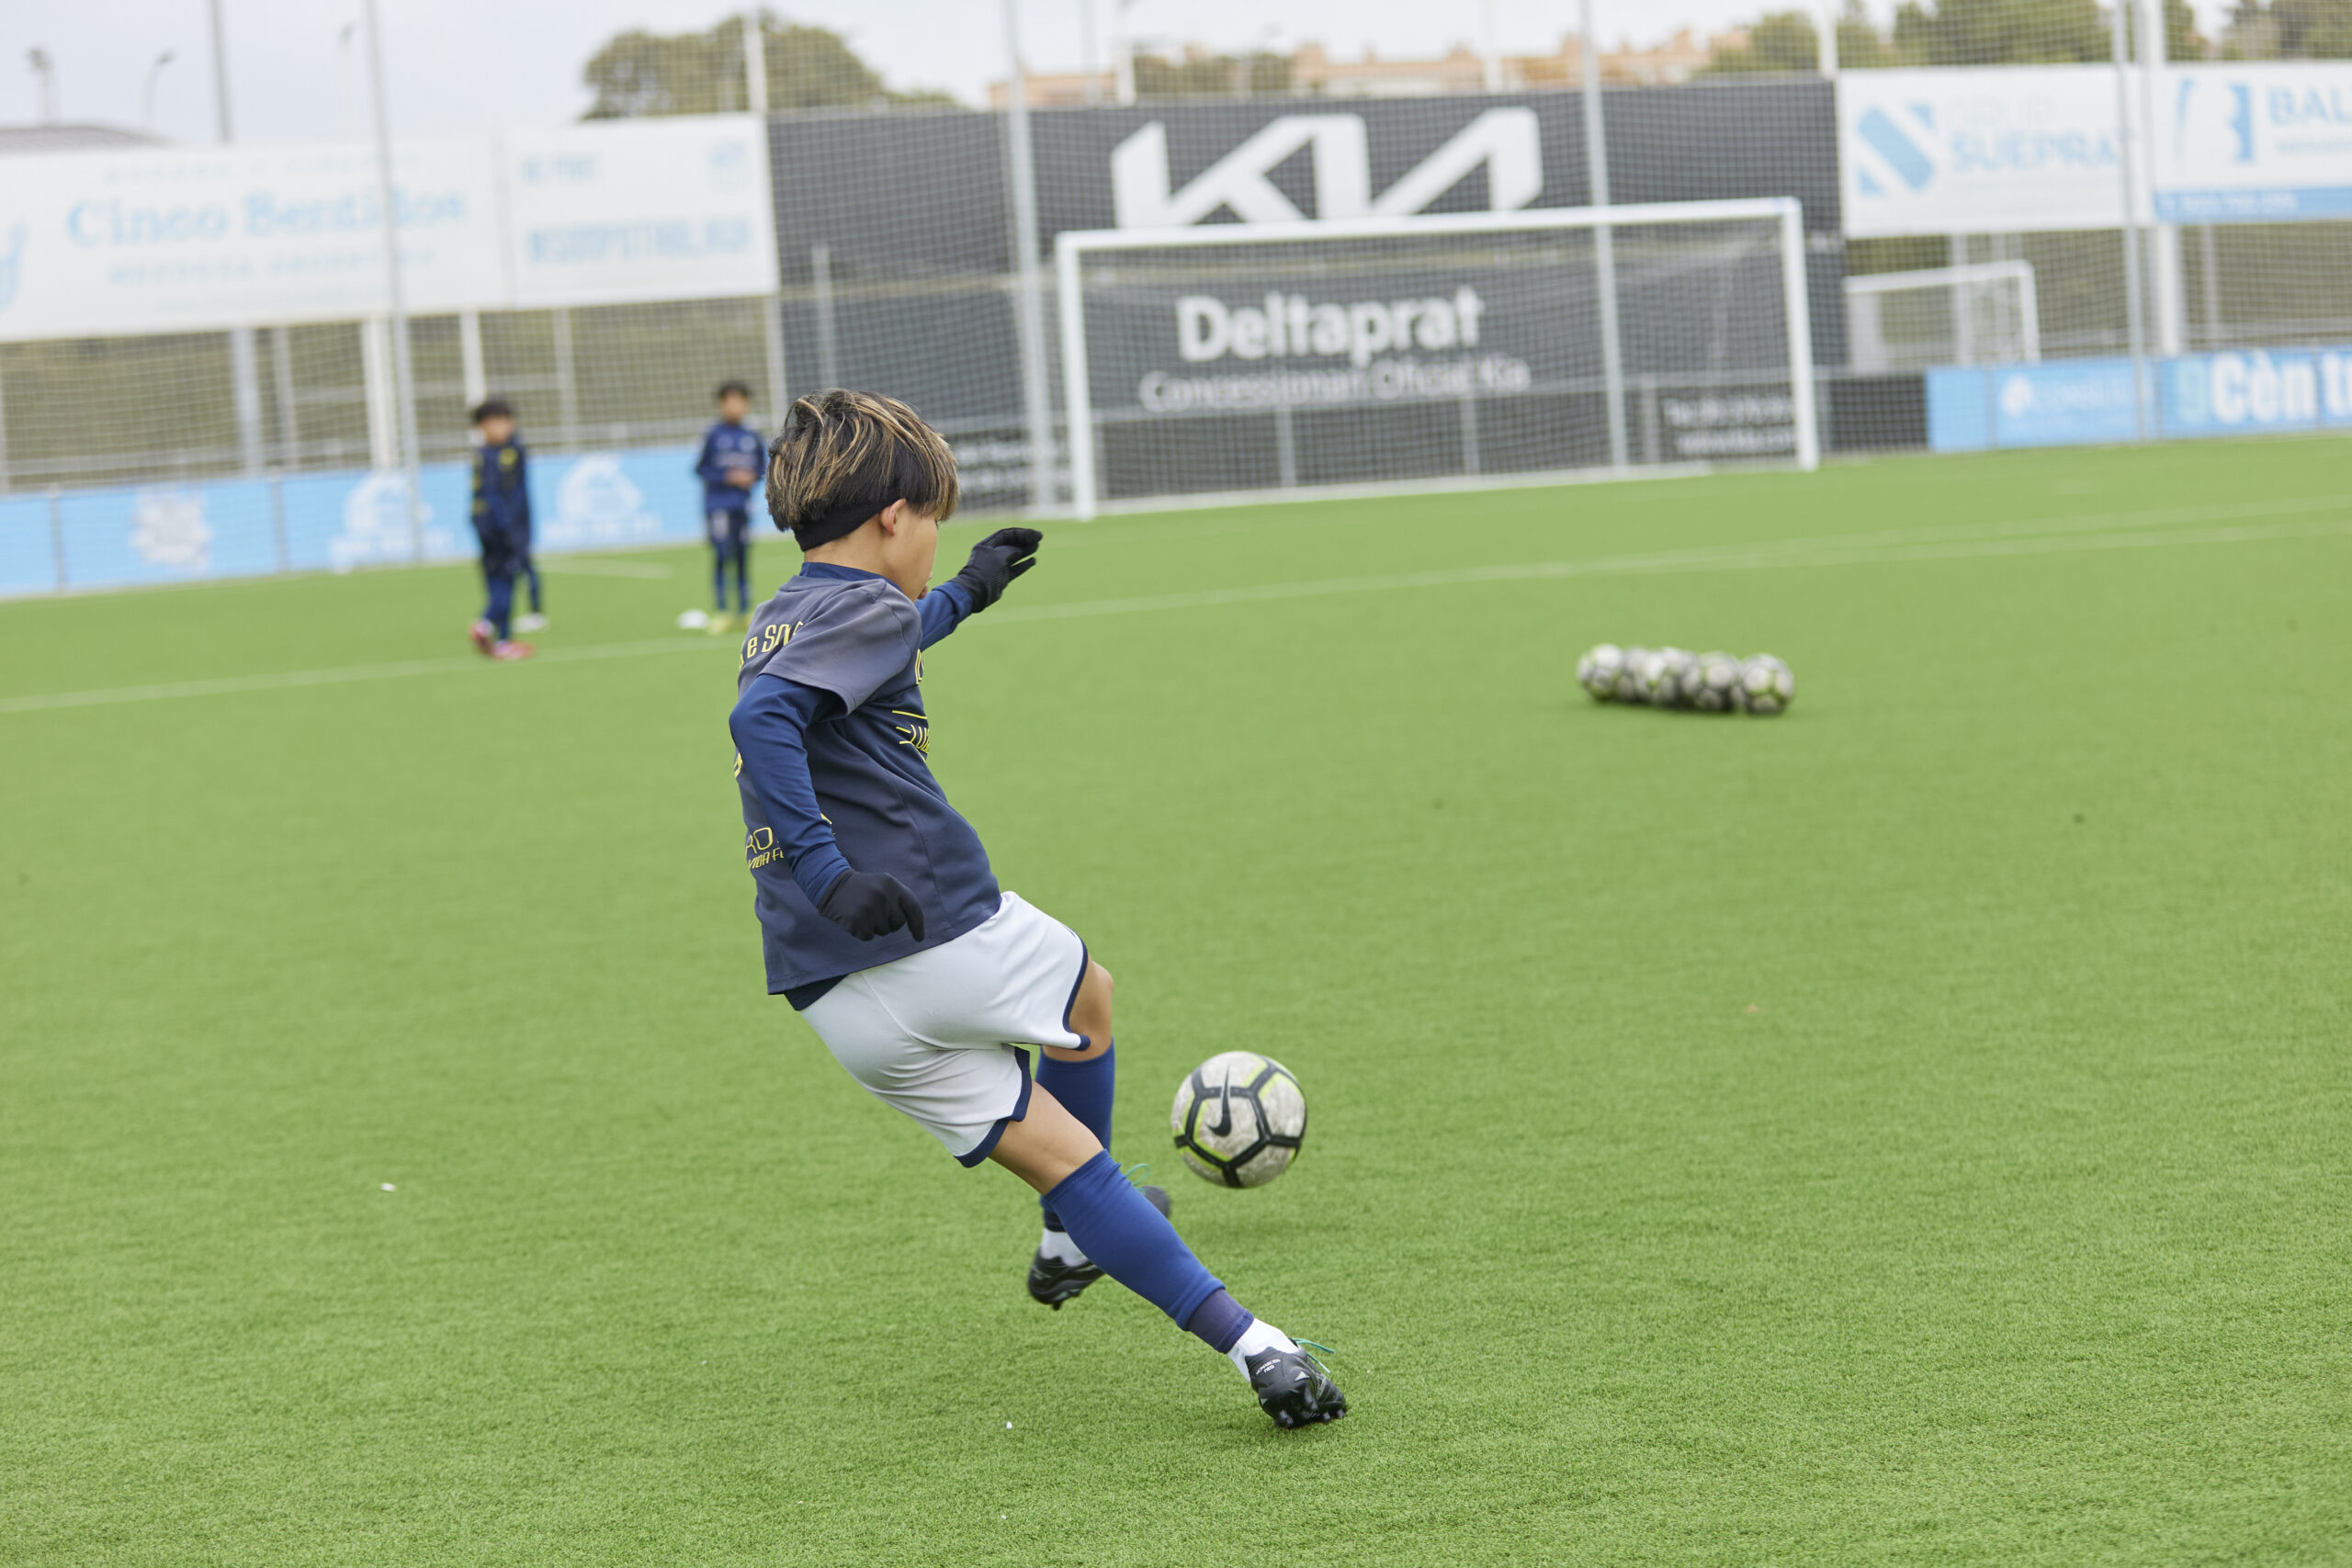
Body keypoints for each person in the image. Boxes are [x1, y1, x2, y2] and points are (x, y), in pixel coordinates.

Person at [727, 389, 1345, 1429]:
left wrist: (967, 591)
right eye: (936, 523)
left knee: (1067, 1160)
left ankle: (1253, 1347)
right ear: (893, 518)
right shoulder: (857, 614)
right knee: (1088, 992)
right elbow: (764, 719)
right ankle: (1086, 1244)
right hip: (932, 925)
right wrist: (829, 868)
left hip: (833, 995)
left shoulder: (786, 614)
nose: (938, 541)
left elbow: (876, 639)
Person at [467, 399, 535, 661]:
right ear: (482, 427)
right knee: (506, 580)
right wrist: (511, 531)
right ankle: (485, 625)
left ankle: (503, 640)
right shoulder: (504, 454)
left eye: (505, 421)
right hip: (501, 528)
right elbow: (503, 497)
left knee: (499, 580)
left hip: (488, 525)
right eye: (494, 422)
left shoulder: (487, 453)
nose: (502, 427)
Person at [695, 381, 765, 630]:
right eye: (730, 401)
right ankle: (722, 610)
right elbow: (701, 469)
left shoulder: (752, 436)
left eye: (740, 401)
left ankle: (745, 610)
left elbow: (762, 468)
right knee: (723, 555)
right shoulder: (713, 435)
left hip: (742, 508)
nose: (736, 406)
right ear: (721, 404)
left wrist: (752, 477)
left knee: (744, 556)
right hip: (718, 507)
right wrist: (728, 477)